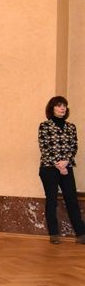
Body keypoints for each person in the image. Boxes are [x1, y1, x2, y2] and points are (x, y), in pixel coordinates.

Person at [38, 95, 85, 243]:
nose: (62, 108)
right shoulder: (44, 126)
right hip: (49, 168)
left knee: (72, 200)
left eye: (64, 105)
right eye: (59, 105)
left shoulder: (71, 127)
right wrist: (59, 165)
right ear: (52, 109)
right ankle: (54, 234)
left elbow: (74, 146)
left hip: (67, 167)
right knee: (51, 200)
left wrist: (66, 162)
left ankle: (81, 234)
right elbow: (45, 147)